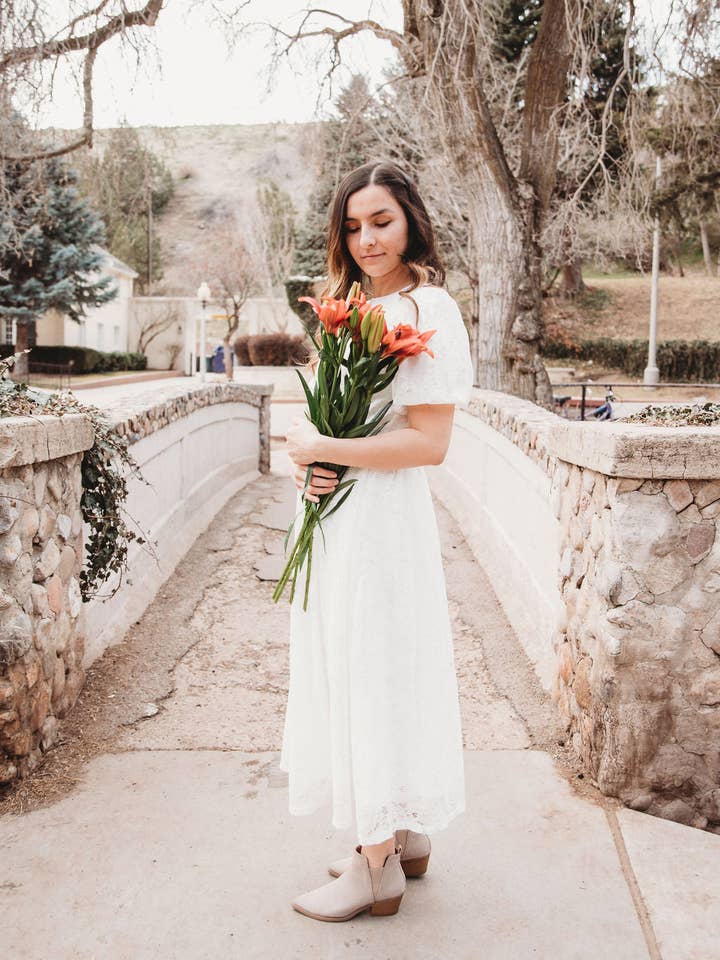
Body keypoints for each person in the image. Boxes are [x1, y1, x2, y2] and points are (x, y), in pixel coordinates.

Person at [281, 159, 474, 922]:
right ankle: (404, 834)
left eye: (382, 221)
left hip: (383, 526)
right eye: (353, 225)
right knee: (368, 668)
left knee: (371, 672)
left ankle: (375, 870)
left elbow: (429, 443)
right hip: (343, 518)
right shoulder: (353, 305)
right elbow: (343, 423)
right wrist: (313, 466)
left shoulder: (428, 309)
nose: (366, 239)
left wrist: (326, 447)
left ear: (411, 222)